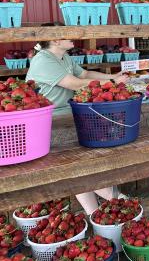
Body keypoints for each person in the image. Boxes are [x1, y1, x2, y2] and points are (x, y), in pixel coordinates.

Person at [26, 24, 130, 214]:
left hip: (69, 116)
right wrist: (112, 83)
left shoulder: (63, 57)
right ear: (55, 40)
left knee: (78, 168)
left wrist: (111, 75)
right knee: (76, 168)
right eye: (67, 33)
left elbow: (85, 74)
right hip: (52, 124)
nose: (72, 35)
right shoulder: (43, 60)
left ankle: (95, 213)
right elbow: (76, 84)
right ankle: (119, 201)